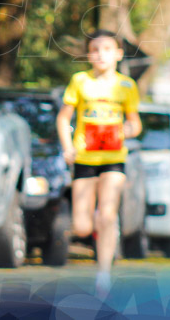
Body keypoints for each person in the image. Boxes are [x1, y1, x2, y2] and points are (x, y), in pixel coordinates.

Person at [56, 29, 141, 296]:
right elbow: (62, 118)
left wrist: (127, 130)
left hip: (114, 160)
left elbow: (136, 124)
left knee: (107, 214)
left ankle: (103, 273)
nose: (100, 54)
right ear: (88, 55)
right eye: (94, 49)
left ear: (118, 54)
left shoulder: (127, 85)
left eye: (106, 49)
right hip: (84, 159)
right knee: (82, 226)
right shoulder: (80, 81)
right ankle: (95, 222)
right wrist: (67, 147)